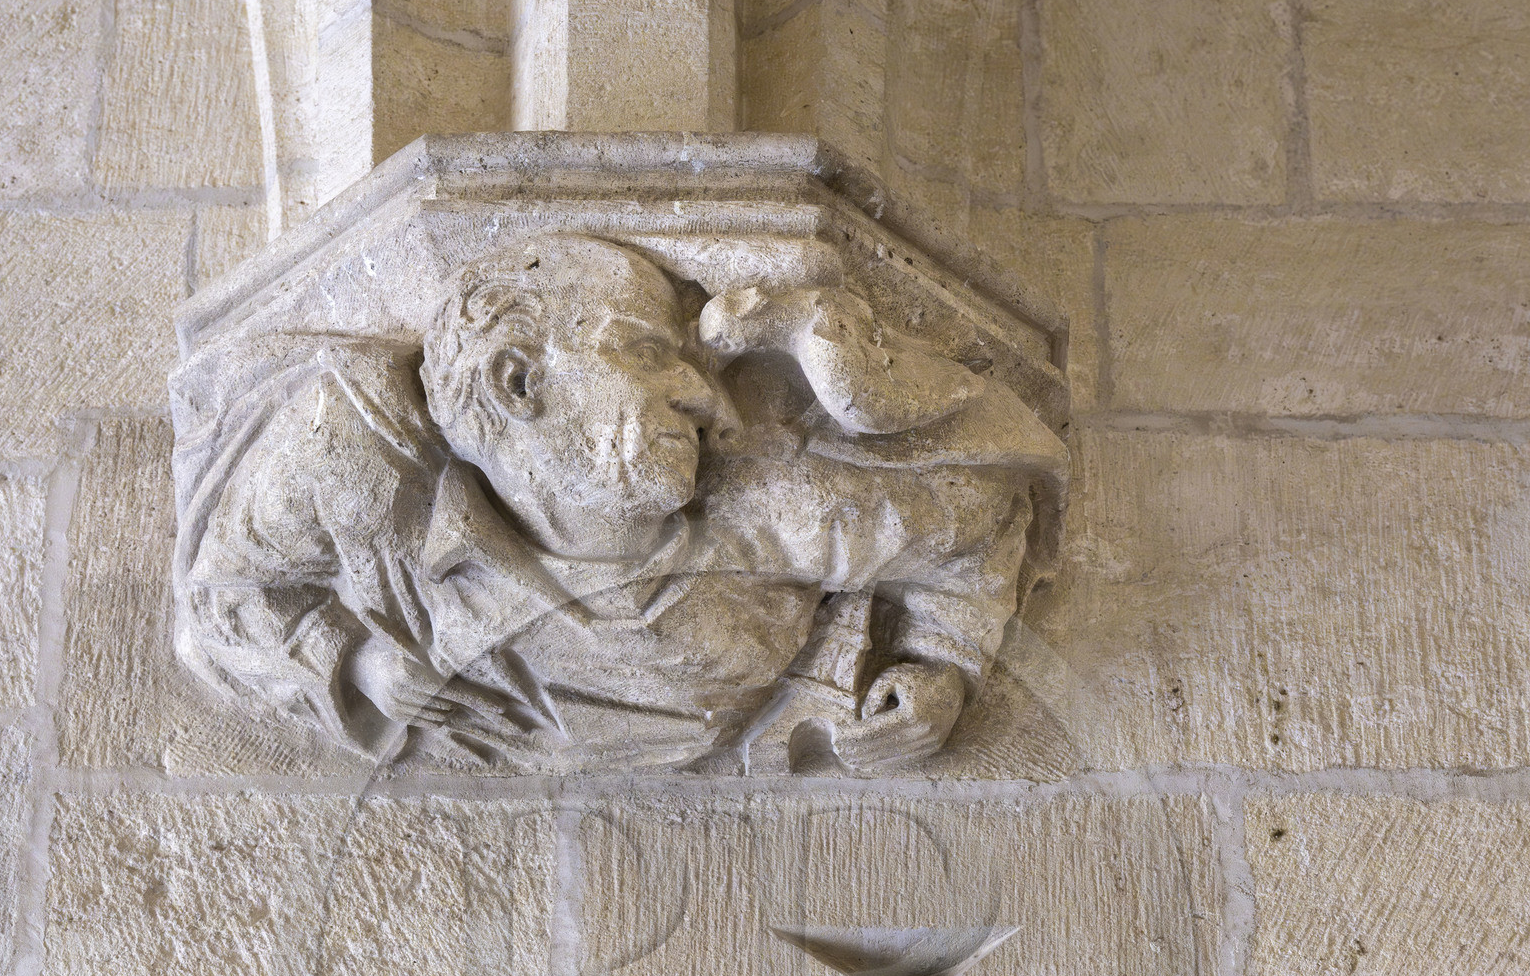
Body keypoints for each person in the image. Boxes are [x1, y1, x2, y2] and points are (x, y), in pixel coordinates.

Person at [175, 234, 1068, 773]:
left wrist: (937, 667)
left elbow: (979, 514)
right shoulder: (359, 458)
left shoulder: (788, 511)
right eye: (646, 355)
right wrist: (354, 663)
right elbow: (222, 599)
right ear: (516, 380)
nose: (711, 401)